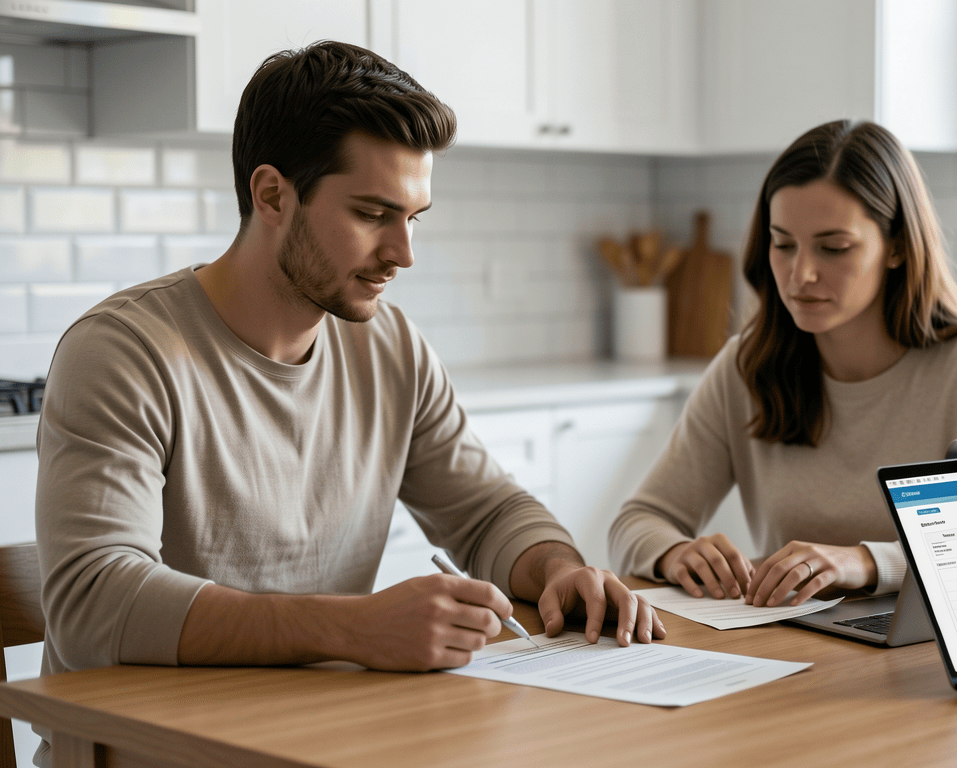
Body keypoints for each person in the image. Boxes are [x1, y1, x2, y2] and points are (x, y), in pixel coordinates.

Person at [34, 40, 665, 717]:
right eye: (372, 215)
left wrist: (558, 571)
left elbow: (488, 513)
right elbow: (93, 601)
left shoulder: (390, 347)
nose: (403, 253)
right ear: (272, 194)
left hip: (319, 736)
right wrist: (352, 627)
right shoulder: (124, 353)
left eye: (413, 218)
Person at [608, 120, 957, 609]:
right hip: (791, 643)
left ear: (897, 246)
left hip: (932, 654)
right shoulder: (747, 366)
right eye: (783, 244)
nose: (801, 275)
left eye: (834, 248)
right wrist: (675, 553)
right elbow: (636, 522)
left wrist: (865, 563)